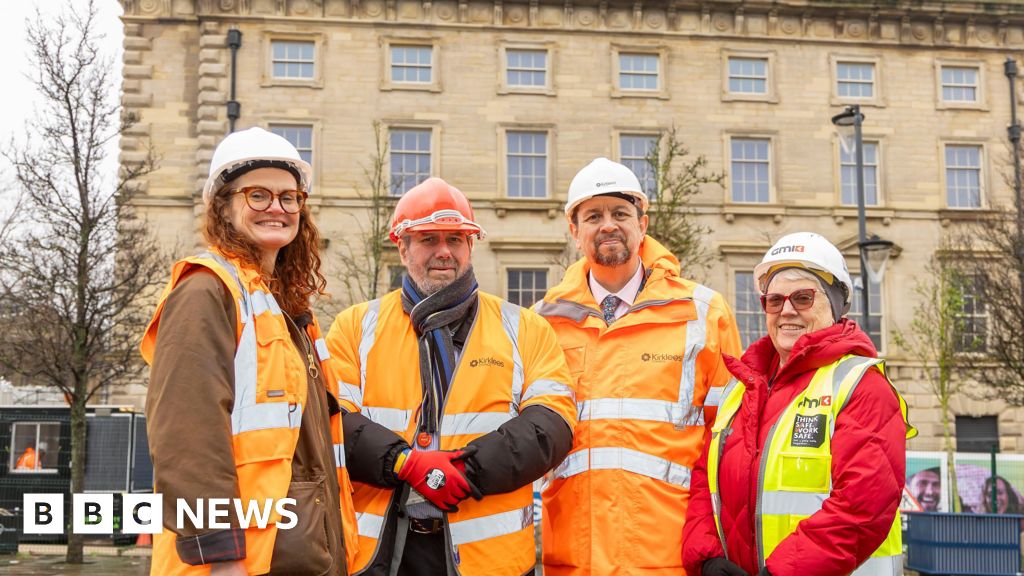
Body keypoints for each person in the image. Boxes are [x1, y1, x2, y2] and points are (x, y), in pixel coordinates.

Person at [326, 177, 577, 576]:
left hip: (489, 561)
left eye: (455, 239)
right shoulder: (355, 326)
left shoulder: (525, 327)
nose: (444, 251)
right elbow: (333, 422)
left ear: (470, 245)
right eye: (429, 239)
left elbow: (552, 425)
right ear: (402, 246)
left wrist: (464, 470)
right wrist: (403, 462)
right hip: (379, 556)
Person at [141, 127, 357, 576]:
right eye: (258, 195)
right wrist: (219, 554)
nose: (277, 208)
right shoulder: (206, 291)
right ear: (223, 206)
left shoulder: (285, 308)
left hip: (295, 555)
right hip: (239, 562)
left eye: (289, 197)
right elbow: (187, 433)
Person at [535, 158, 742, 576]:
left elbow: (730, 444)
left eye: (620, 213)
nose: (608, 225)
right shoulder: (542, 322)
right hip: (574, 561)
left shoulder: (703, 312)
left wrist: (714, 547)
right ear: (574, 231)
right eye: (593, 216)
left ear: (642, 225)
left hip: (671, 558)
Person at [682, 232, 916, 576]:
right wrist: (706, 558)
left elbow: (862, 507)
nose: (787, 310)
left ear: (834, 305)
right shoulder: (740, 390)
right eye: (774, 300)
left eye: (803, 298)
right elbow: (705, 481)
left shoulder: (862, 386)